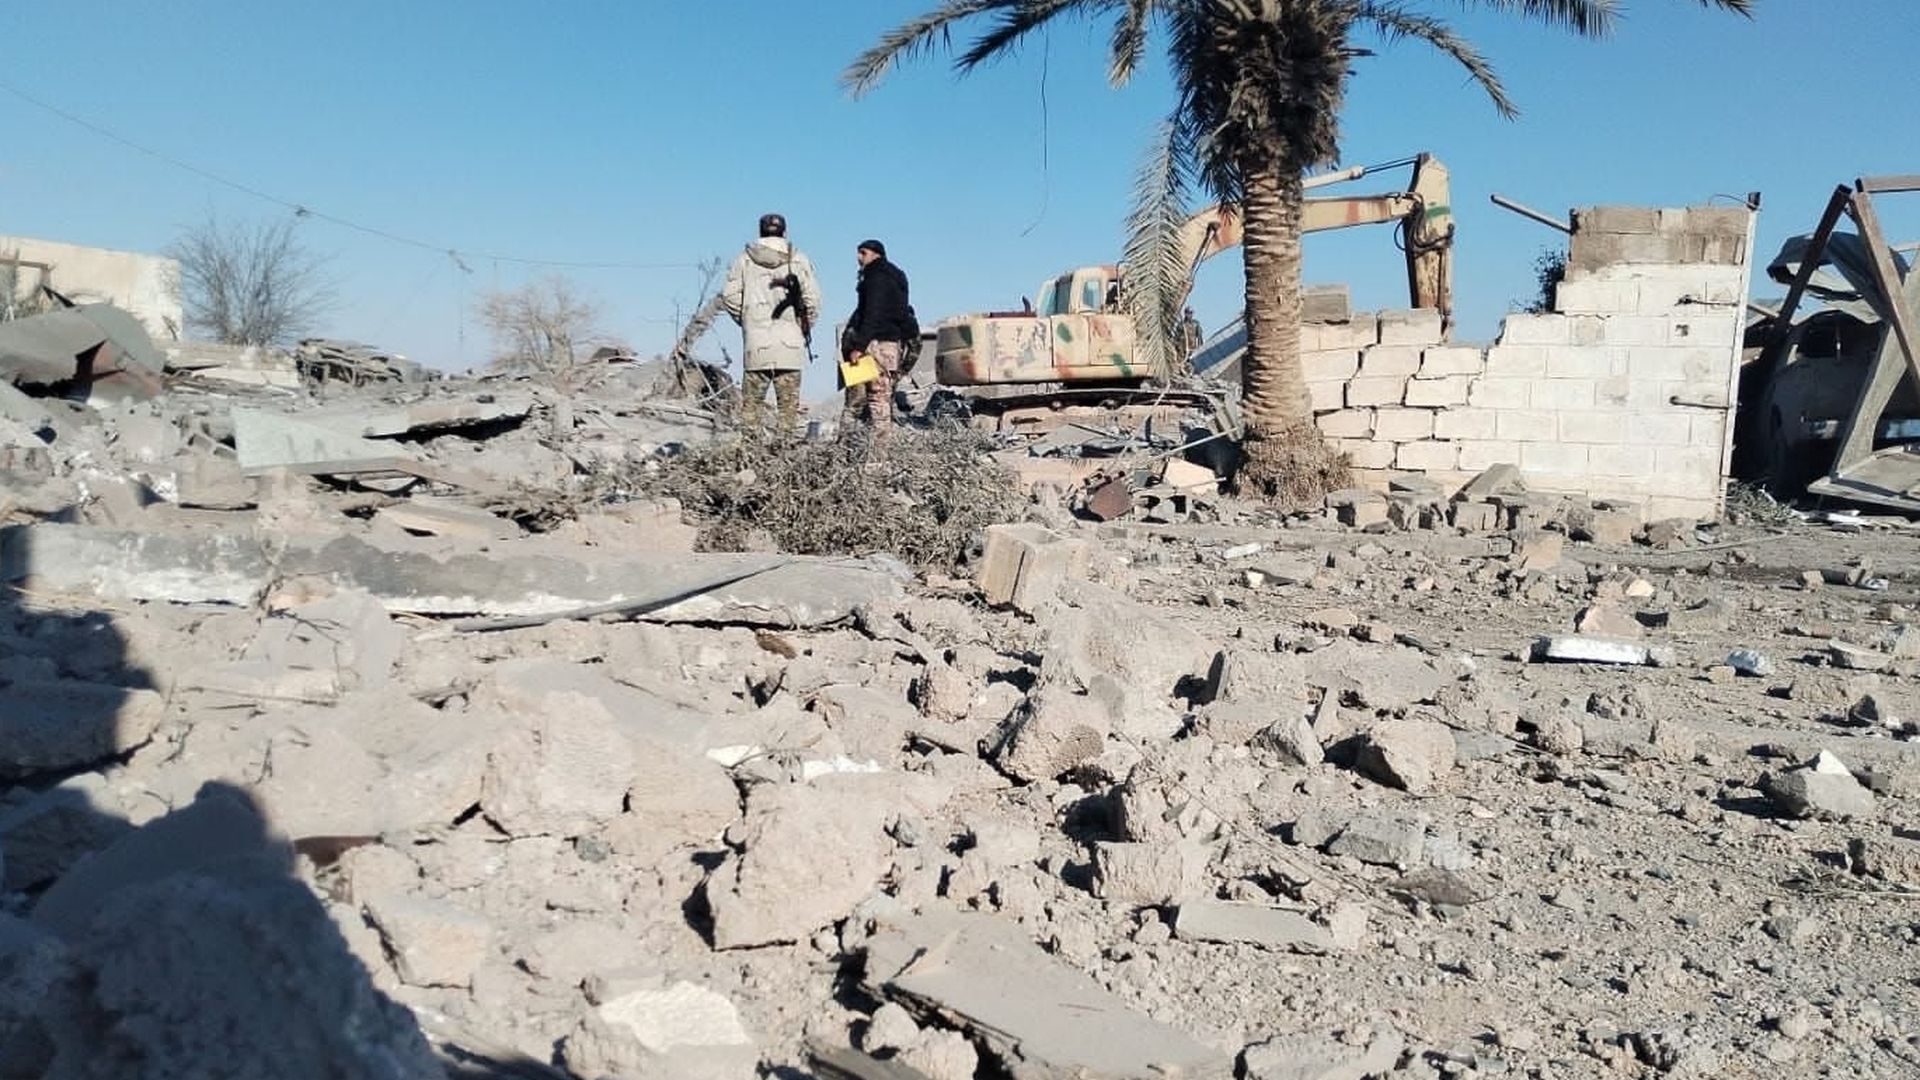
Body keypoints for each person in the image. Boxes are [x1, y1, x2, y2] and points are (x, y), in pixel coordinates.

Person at [721, 213, 821, 438]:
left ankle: (748, 463)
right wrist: (802, 325)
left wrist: (747, 320)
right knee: (787, 417)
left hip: (756, 346)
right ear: (784, 232)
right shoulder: (799, 259)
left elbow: (729, 296)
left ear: (760, 232)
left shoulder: (744, 259)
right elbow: (813, 300)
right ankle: (781, 462)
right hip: (790, 346)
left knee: (750, 414)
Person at [842, 239, 913, 440]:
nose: (859, 258)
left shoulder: (875, 276)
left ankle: (847, 453)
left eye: (863, 253)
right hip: (890, 346)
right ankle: (876, 457)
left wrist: (858, 346)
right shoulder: (897, 275)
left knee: (859, 402)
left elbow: (872, 313)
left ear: (876, 254)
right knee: (880, 400)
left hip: (872, 347)